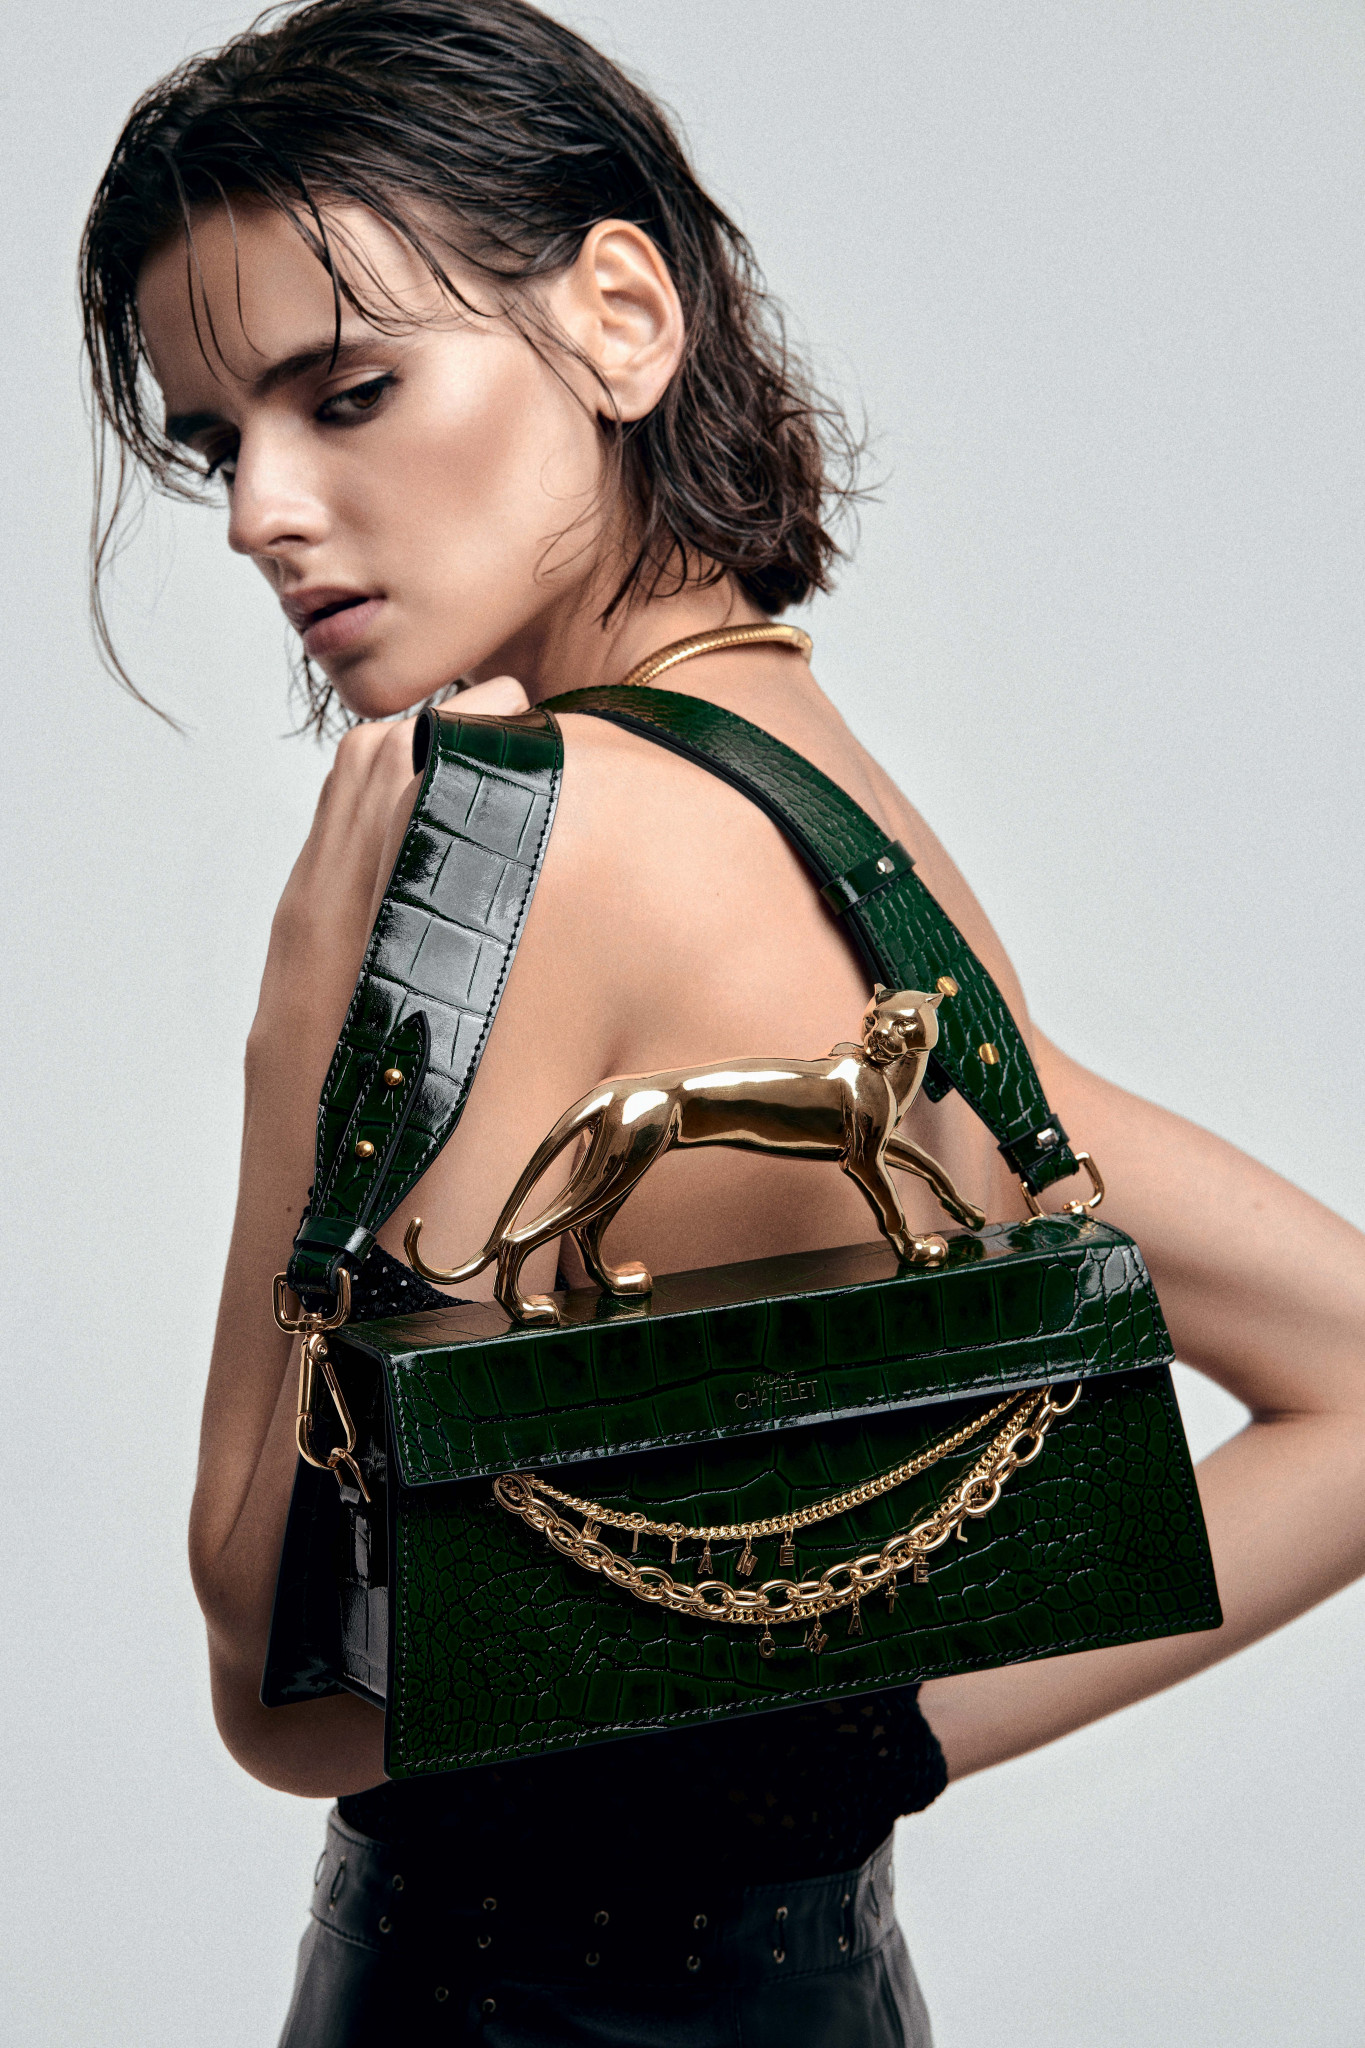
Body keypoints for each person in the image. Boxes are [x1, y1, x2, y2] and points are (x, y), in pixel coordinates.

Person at [81, 2, 1365, 2041]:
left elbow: (284, 1694)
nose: (260, 513)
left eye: (349, 392)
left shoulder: (560, 833)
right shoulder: (835, 813)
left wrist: (300, 1028)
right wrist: (843, 1746)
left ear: (617, 319)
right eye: (220, 440)